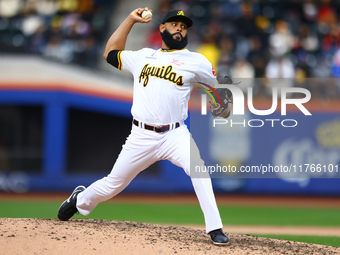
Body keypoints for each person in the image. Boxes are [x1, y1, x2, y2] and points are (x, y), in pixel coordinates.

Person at [57, 7, 229, 245]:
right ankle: (79, 200)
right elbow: (110, 53)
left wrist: (222, 101)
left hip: (175, 134)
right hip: (141, 135)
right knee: (113, 185)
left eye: (183, 25)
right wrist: (129, 20)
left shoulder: (197, 61)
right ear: (161, 28)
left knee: (198, 170)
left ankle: (215, 228)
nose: (179, 27)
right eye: (174, 23)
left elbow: (217, 88)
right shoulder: (142, 56)